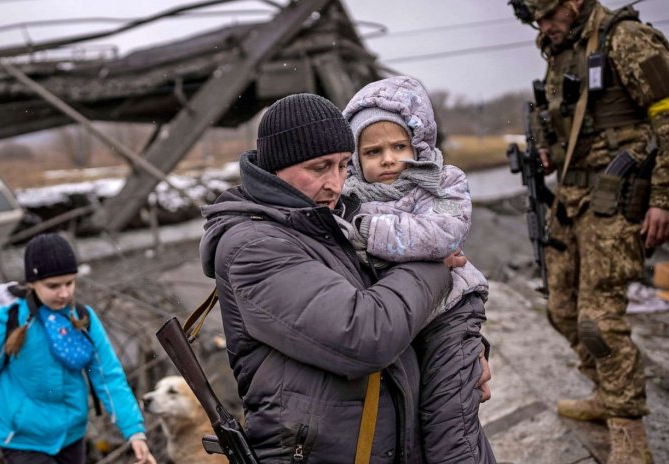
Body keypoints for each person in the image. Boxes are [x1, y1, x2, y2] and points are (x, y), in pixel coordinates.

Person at [198, 93, 491, 463]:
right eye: (320, 167)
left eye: (343, 165)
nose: (335, 184)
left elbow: (403, 308)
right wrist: (435, 260)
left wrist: (462, 350)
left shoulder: (330, 219)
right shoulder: (254, 246)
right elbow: (366, 334)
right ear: (276, 167)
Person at [511, 0, 669, 462]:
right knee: (561, 308)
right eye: (536, 21)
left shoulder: (626, 39)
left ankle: (629, 434)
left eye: (547, 17)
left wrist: (663, 199)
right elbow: (561, 118)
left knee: (598, 320)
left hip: (618, 199)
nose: (542, 28)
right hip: (572, 199)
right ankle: (607, 392)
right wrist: (545, 148)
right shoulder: (560, 48)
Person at [340, 75, 495, 464]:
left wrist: (368, 233)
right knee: (411, 433)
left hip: (449, 315)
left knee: (450, 425)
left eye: (399, 147)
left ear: (417, 145)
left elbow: (440, 235)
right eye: (373, 152)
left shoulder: (442, 184)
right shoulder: (349, 198)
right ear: (356, 159)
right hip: (402, 322)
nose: (389, 159)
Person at [0, 233, 156, 464]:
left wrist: (134, 432)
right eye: (53, 286)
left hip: (71, 436)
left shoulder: (82, 318)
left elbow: (108, 377)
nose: (64, 293)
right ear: (32, 283)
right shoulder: (11, 321)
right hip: (22, 439)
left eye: (69, 282)